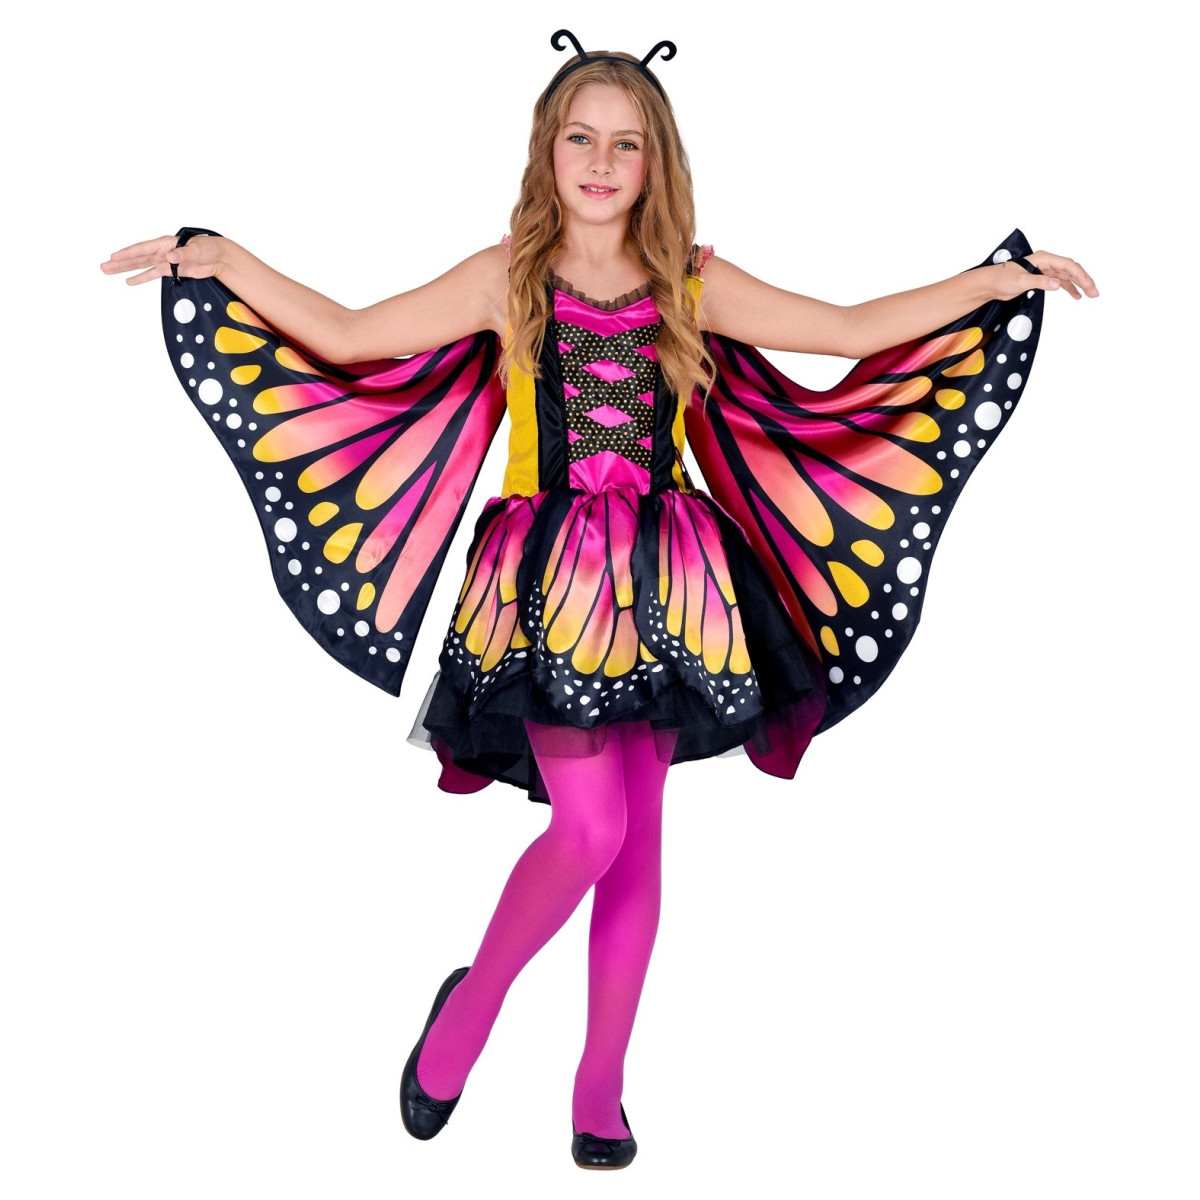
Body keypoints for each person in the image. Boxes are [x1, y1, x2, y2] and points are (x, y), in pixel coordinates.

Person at [101, 32, 1096, 1171]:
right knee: (589, 829)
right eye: (582, 138)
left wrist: (990, 282)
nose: (603, 162)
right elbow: (347, 335)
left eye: (628, 143)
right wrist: (224, 259)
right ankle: (469, 1012)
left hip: (670, 584)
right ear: (548, 150)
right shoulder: (506, 277)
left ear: (656, 161)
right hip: (546, 589)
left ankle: (600, 1087)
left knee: (635, 850)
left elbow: (850, 329)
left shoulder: (692, 283)